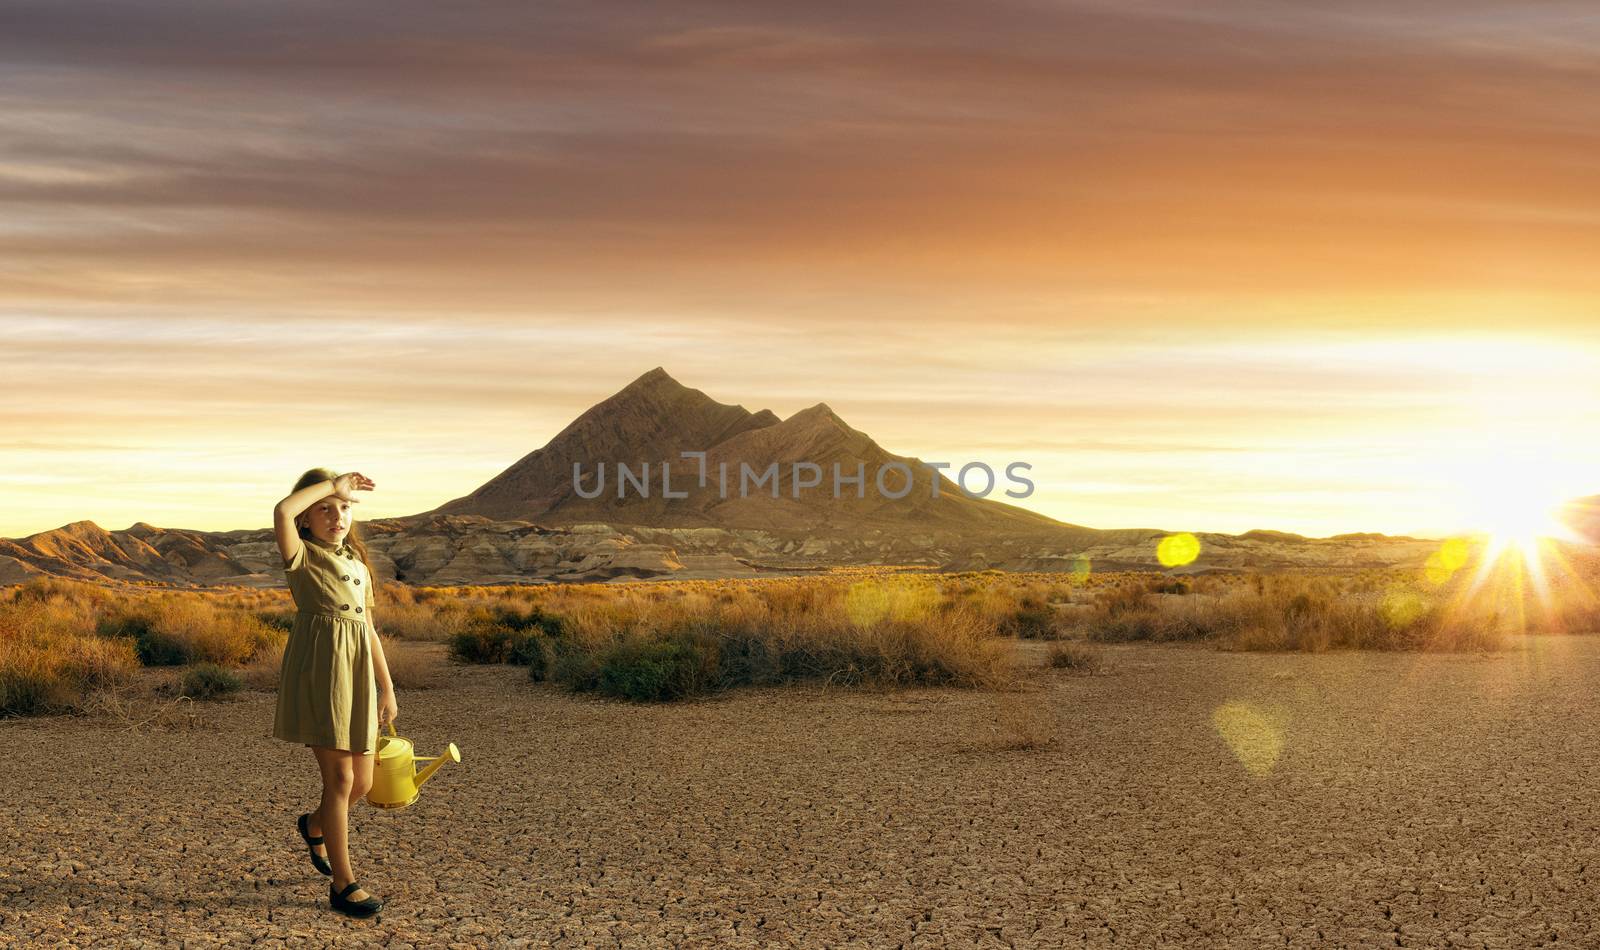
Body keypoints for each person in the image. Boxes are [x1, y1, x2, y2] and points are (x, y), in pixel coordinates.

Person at [271, 468, 398, 919]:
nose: (336, 515)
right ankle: (343, 885)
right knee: (341, 781)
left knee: (361, 782)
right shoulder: (301, 554)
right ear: (306, 519)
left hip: (358, 672)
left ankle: (314, 825)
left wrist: (386, 687)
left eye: (343, 508)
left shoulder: (358, 565)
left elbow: (366, 628)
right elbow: (281, 509)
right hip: (322, 672)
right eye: (324, 508)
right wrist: (334, 485)